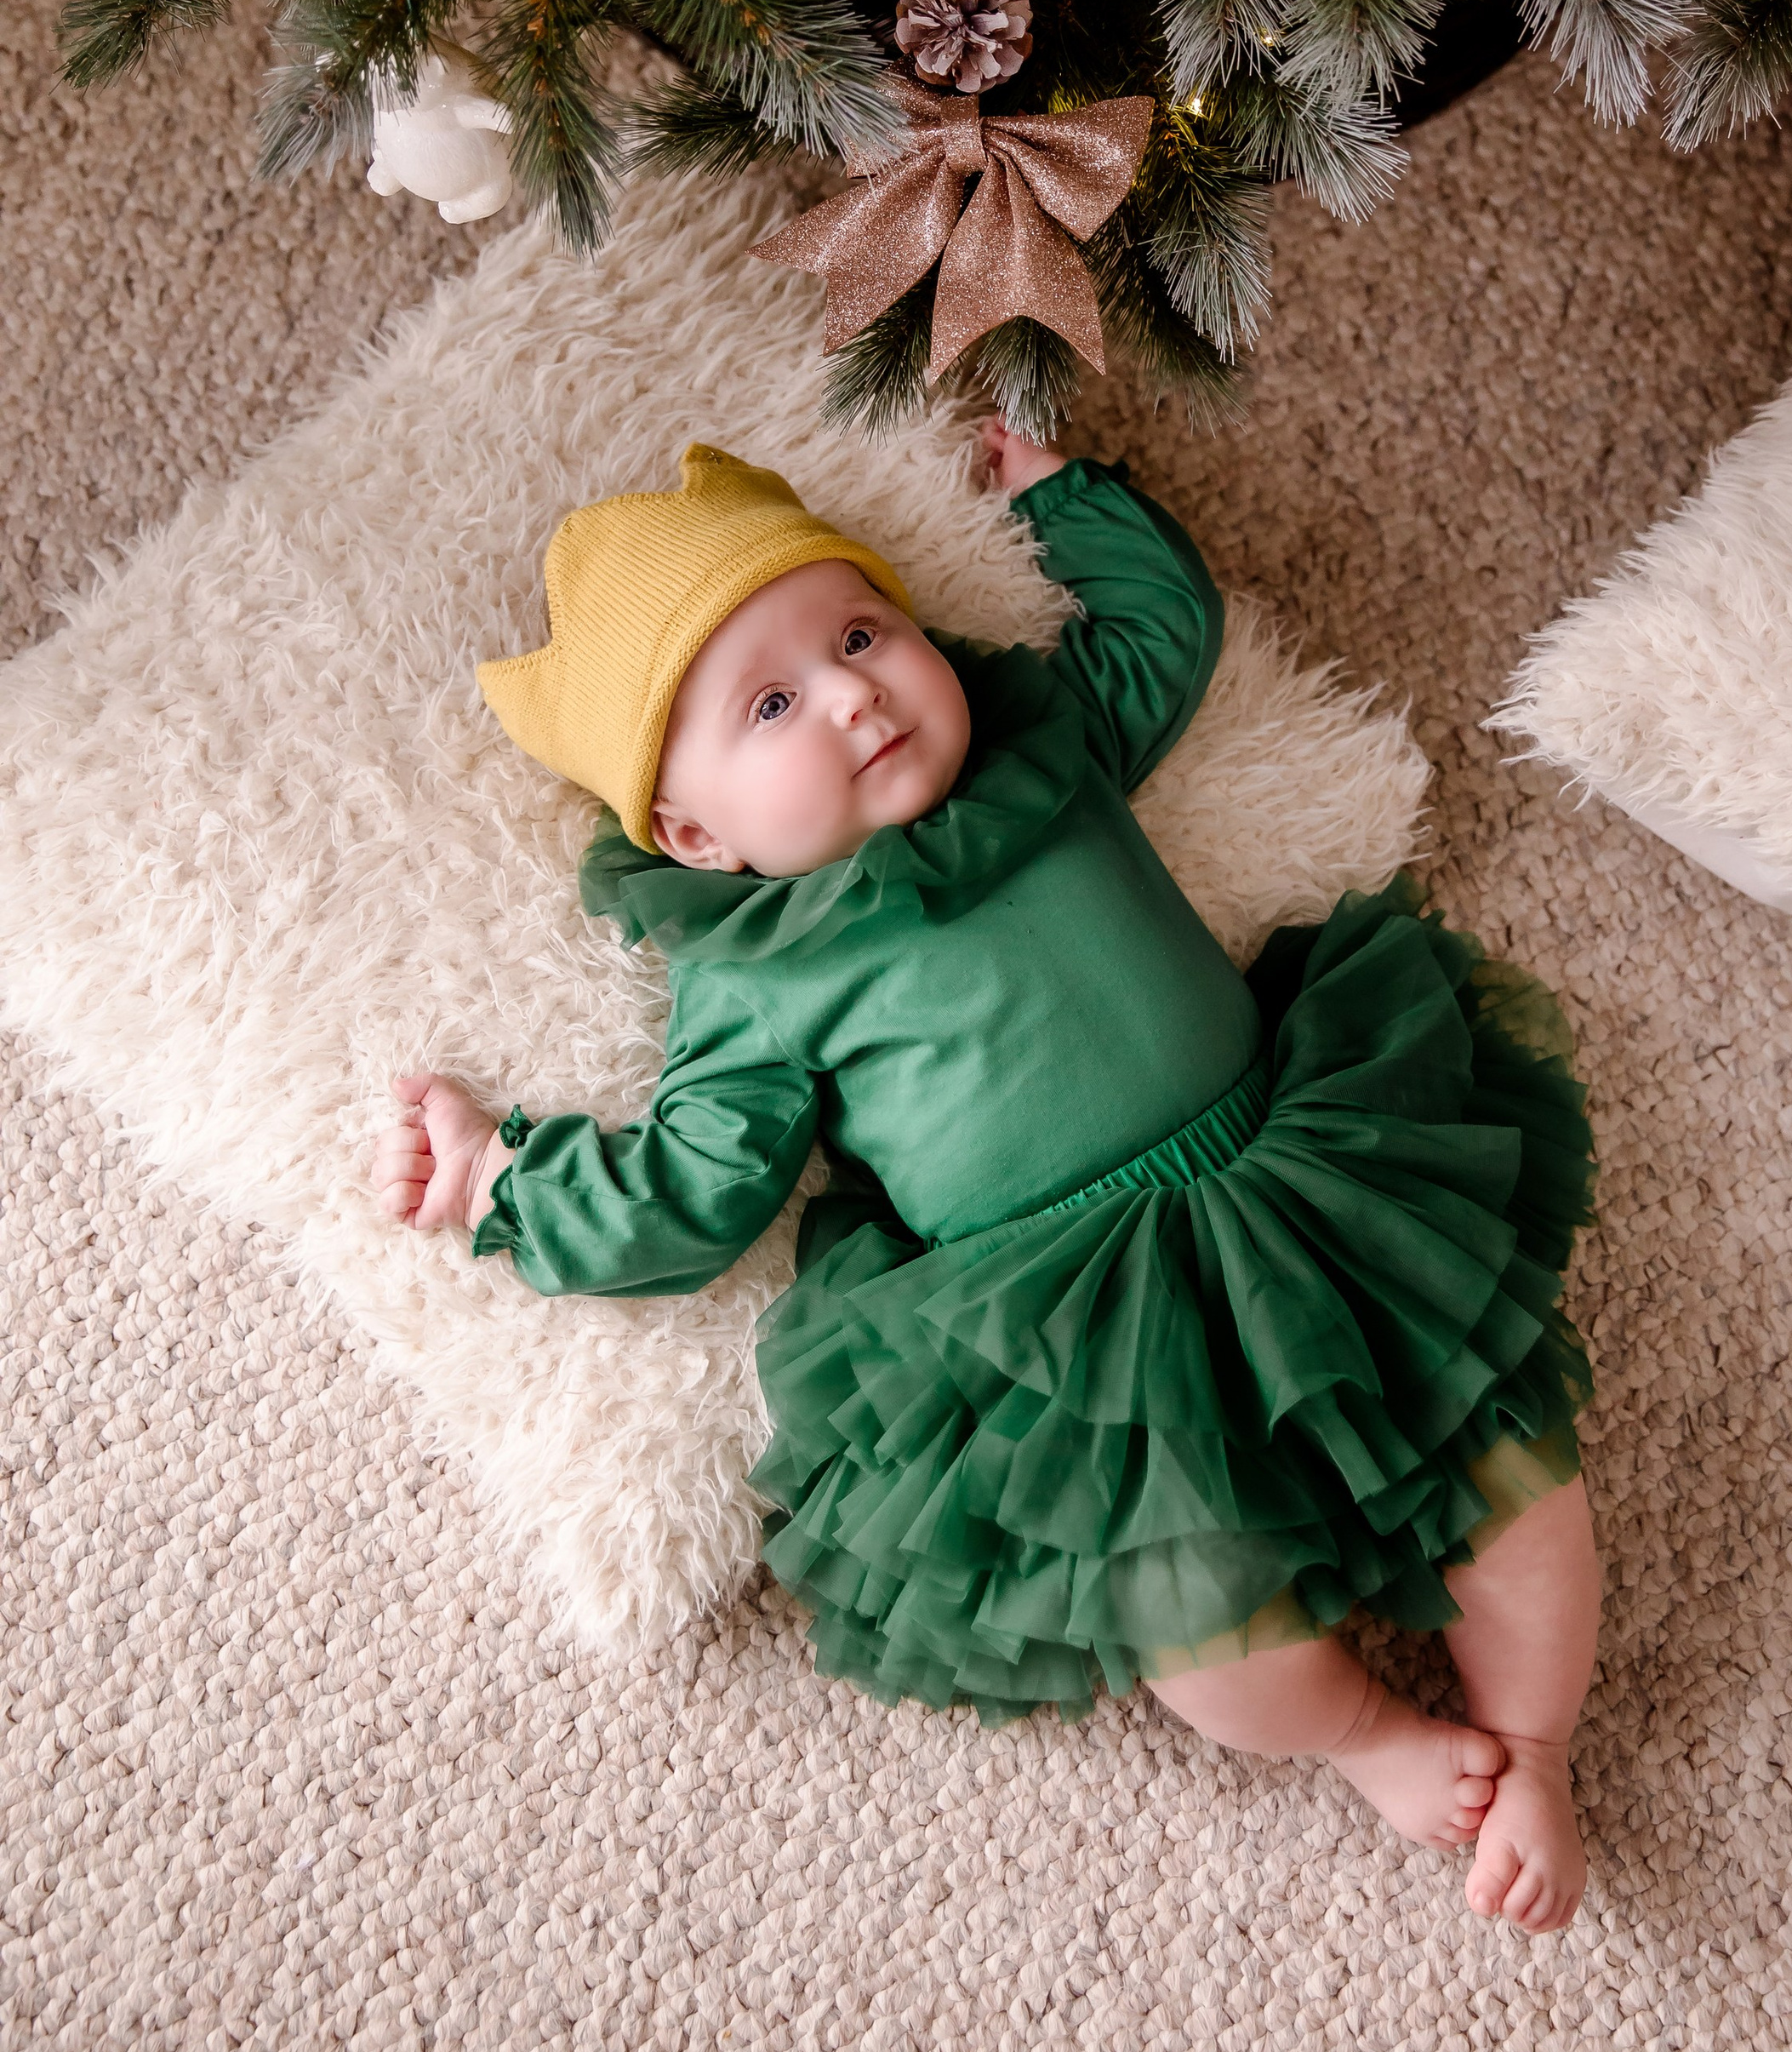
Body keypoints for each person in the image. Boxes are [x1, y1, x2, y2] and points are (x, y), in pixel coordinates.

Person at [375, 426, 1601, 1929]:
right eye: (772, 704)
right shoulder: (755, 979)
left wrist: (1063, 498)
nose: (851, 692)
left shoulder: (1039, 752)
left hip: (1293, 1194)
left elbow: (1164, 634)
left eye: (860, 633)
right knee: (1199, 1624)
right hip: (1068, 1328)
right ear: (696, 835)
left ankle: (1535, 1742)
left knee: (1512, 1468)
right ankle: (1371, 1737)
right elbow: (695, 1195)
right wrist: (501, 1177)